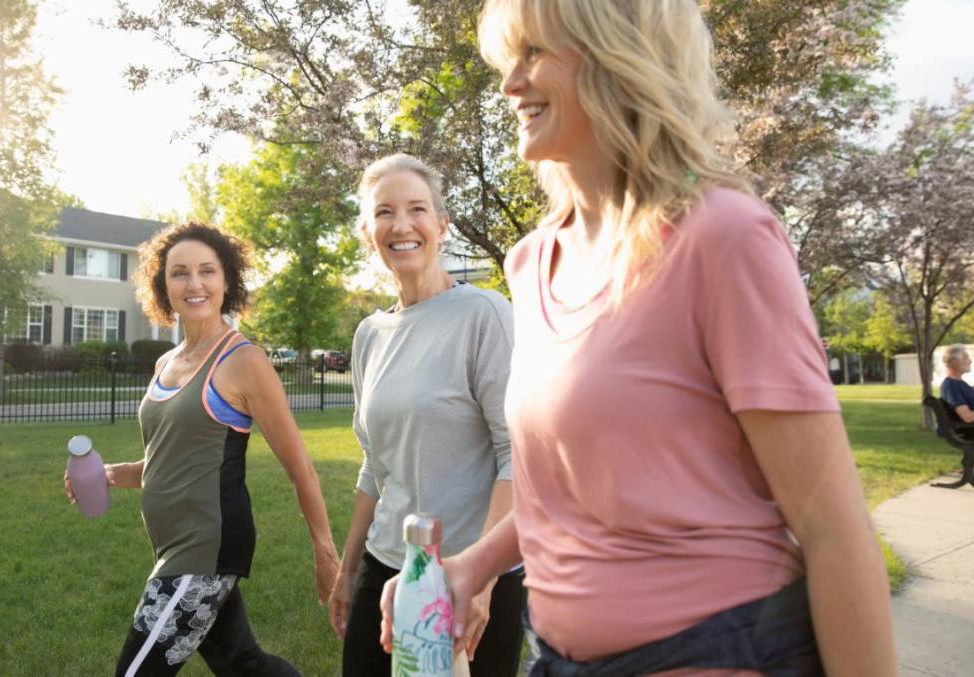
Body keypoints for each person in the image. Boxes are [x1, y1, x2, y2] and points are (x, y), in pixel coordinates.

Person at [377, 1, 898, 674]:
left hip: (722, 647)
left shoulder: (722, 237)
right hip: (558, 656)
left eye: (534, 52)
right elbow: (560, 496)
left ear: (616, 55)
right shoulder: (531, 262)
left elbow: (833, 527)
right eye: (509, 60)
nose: (510, 84)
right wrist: (471, 566)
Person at [64, 222, 339, 676]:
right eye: (180, 273)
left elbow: (301, 467)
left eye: (207, 271)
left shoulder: (243, 361)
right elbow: (167, 462)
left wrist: (325, 551)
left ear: (226, 280)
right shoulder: (165, 363)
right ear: (162, 284)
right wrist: (112, 473)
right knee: (242, 663)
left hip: (205, 549)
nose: (194, 284)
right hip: (173, 545)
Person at [328, 153, 524, 677]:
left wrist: (482, 581)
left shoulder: (485, 315)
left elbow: (517, 455)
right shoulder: (369, 334)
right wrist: (349, 571)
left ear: (441, 225)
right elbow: (375, 465)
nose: (401, 224)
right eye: (384, 212)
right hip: (385, 569)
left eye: (416, 208)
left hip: (469, 577)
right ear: (368, 232)